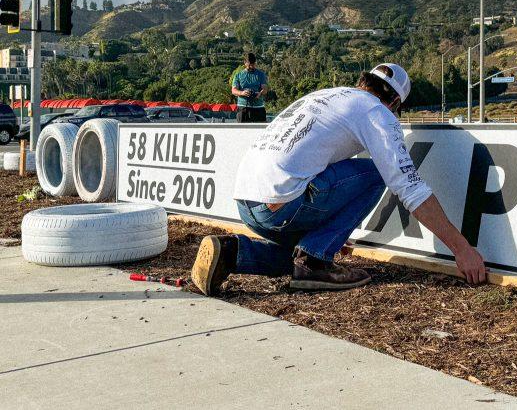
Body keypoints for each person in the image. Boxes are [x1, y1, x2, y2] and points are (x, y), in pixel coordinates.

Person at [191, 63, 487, 295]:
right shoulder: (376, 113)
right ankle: (316, 260)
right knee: (375, 174)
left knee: (299, 258)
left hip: (248, 203)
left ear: (365, 82)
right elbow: (408, 187)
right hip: (284, 204)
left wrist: (330, 234)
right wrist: (462, 249)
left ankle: (233, 252)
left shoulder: (328, 96)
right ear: (395, 100)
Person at [231, 52, 268, 123]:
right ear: (245, 63)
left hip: (258, 107)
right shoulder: (238, 75)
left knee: (260, 132)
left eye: (253, 64)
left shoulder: (261, 74)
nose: (252, 66)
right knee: (242, 132)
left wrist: (259, 93)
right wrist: (242, 93)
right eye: (250, 65)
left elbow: (265, 89)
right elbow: (233, 90)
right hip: (243, 107)